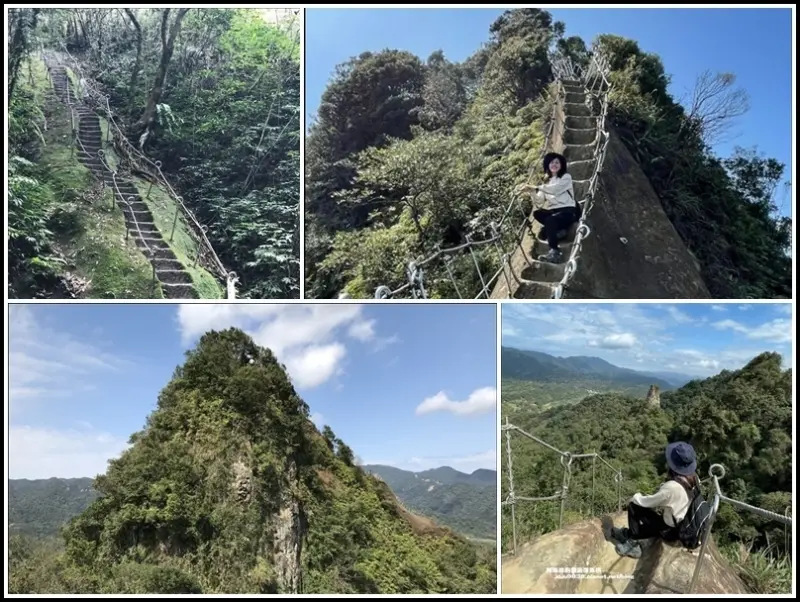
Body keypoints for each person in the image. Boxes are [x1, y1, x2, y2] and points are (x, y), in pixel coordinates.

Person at [611, 441, 701, 559]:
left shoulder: (672, 487)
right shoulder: (694, 478)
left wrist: (636, 496)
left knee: (634, 505)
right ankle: (628, 534)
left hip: (670, 531)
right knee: (651, 517)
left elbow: (646, 502)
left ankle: (632, 544)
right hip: (682, 525)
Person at [516, 152, 580, 264]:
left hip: (569, 211)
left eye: (557, 162)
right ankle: (560, 231)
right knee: (538, 213)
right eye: (551, 162)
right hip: (556, 213)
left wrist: (535, 186)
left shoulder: (566, 177)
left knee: (550, 221)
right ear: (547, 165)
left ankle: (554, 251)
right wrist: (532, 192)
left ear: (561, 165)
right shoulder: (547, 182)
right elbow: (540, 202)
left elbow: (555, 189)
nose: (554, 164)